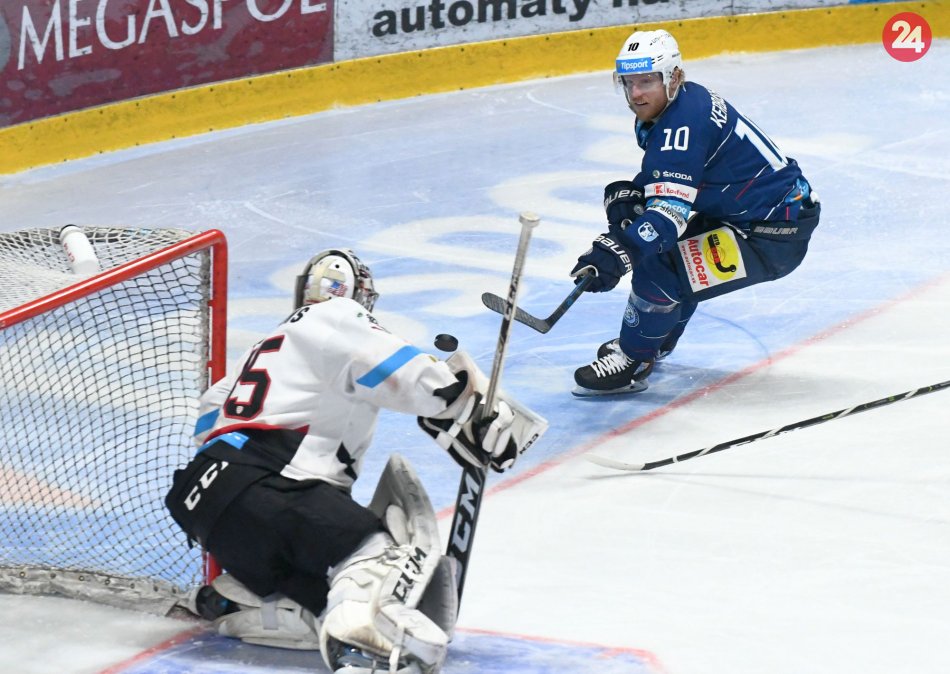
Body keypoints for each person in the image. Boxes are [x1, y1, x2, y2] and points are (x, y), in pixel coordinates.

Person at [165, 248, 547, 673]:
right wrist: (462, 399)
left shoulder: (262, 349)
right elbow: (401, 371)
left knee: (327, 590)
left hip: (205, 504)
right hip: (271, 484)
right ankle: (365, 649)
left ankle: (237, 601)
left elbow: (208, 421)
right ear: (359, 295)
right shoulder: (338, 316)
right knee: (381, 555)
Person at [570, 29, 821, 396]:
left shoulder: (680, 125)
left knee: (659, 269)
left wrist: (619, 251)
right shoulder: (684, 101)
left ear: (673, 77)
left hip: (770, 234)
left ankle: (633, 360)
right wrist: (635, 196)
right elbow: (682, 174)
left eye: (646, 81)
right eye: (628, 82)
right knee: (670, 259)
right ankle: (654, 341)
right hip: (760, 213)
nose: (636, 93)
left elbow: (668, 217)